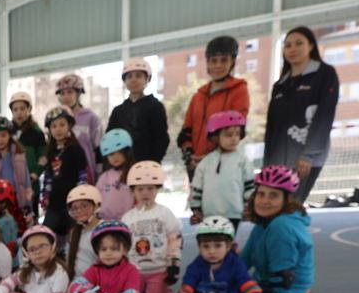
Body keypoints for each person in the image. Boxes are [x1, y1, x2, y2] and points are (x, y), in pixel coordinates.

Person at [161, 217, 273, 293]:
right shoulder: (195, 266)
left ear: (229, 246)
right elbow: (187, 287)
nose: (212, 251)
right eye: (206, 246)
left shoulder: (235, 264)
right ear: (199, 247)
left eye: (218, 245)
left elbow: (248, 285)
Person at [263, 26, 339, 201]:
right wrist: (268, 164)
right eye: (288, 45)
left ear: (311, 46)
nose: (292, 49)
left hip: (305, 159)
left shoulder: (325, 74)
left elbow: (325, 116)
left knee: (290, 207)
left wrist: (308, 155)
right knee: (274, 209)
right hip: (278, 159)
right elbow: (272, 128)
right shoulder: (280, 84)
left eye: (299, 43)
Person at [240, 165, 317, 293]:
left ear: (286, 200)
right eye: (261, 194)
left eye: (273, 196)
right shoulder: (264, 223)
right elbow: (244, 260)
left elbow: (283, 276)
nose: (265, 201)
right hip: (267, 287)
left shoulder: (281, 227)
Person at [177, 36, 249, 179]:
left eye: (224, 60)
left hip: (222, 162)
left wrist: (211, 158)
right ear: (207, 64)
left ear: (232, 62)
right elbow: (186, 130)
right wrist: (189, 156)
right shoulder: (199, 95)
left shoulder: (239, 90)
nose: (218, 65)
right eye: (213, 61)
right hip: (196, 164)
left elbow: (236, 129)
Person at [122, 161, 182, 293]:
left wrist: (173, 264)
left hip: (159, 269)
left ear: (157, 189)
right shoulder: (128, 218)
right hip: (135, 272)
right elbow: (123, 246)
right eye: (140, 189)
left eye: (150, 188)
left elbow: (174, 239)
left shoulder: (164, 213)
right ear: (132, 191)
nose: (145, 193)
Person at [189, 111, 255, 232]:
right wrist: (196, 209)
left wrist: (249, 207)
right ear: (215, 137)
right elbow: (196, 187)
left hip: (234, 213)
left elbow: (249, 186)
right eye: (229, 135)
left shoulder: (243, 161)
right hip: (209, 214)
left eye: (237, 134)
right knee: (212, 244)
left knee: (226, 243)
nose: (234, 138)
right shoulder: (206, 162)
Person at [106, 58, 169, 165]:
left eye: (138, 76)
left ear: (147, 79)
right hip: (122, 165)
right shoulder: (118, 111)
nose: (133, 80)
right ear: (124, 81)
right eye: (129, 76)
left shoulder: (155, 106)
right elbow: (110, 138)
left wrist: (154, 162)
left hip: (148, 164)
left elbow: (161, 138)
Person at [40, 107, 89, 240]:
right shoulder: (50, 151)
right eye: (54, 126)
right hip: (54, 203)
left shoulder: (76, 149)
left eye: (62, 125)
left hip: (73, 202)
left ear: (69, 126)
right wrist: (45, 196)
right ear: (49, 130)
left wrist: (81, 196)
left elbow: (82, 175)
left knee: (75, 235)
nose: (58, 129)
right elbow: (48, 177)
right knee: (46, 234)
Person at [55, 73, 102, 183]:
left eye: (70, 92)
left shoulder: (91, 118)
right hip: (63, 172)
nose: (66, 97)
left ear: (78, 93)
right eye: (62, 93)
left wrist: (100, 174)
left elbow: (99, 148)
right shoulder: (57, 119)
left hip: (86, 172)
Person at [0, 117, 31, 209]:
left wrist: (28, 203)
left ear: (9, 135)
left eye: (3, 135)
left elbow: (26, 180)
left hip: (17, 199)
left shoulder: (19, 154)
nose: (0, 139)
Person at [63, 184, 104, 279]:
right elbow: (69, 260)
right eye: (74, 208)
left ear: (97, 205)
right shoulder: (74, 232)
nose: (79, 211)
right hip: (78, 283)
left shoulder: (105, 229)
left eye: (84, 206)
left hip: (99, 282)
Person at [96, 129, 135, 222]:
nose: (115, 157)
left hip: (129, 220)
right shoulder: (105, 177)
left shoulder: (133, 173)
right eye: (111, 154)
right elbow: (96, 198)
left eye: (119, 152)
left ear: (127, 152)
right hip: (105, 221)